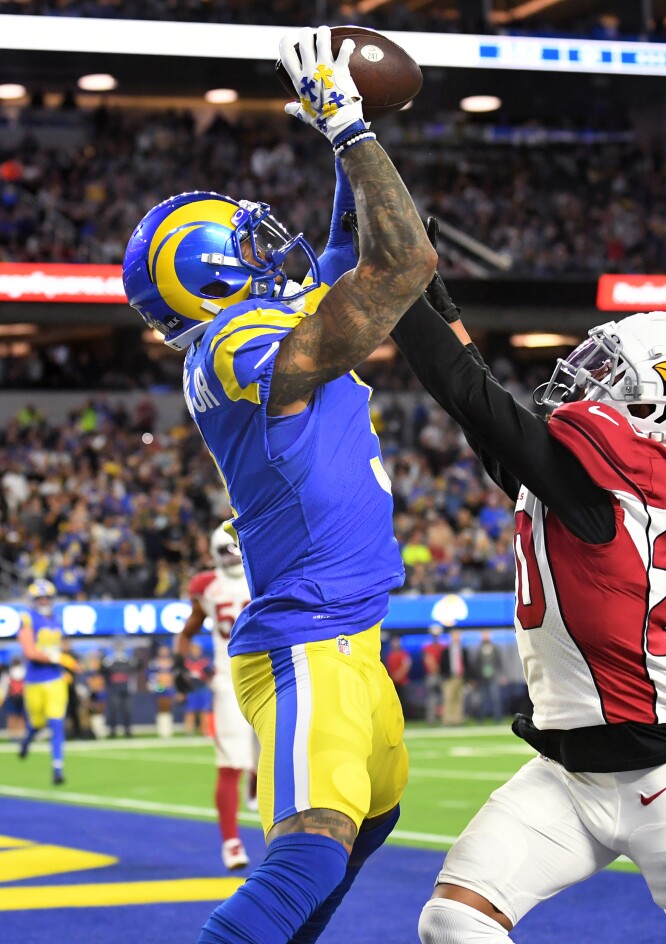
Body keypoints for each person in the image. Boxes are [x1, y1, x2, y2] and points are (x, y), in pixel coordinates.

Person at [122, 25, 436, 944]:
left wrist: (351, 121)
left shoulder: (249, 328)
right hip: (311, 636)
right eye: (243, 238)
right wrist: (346, 131)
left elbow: (348, 247)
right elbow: (402, 268)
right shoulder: (233, 346)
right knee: (311, 847)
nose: (268, 243)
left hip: (352, 632)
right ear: (211, 271)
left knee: (371, 821)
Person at [386, 254, 666, 943]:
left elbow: (472, 400)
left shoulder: (610, 491)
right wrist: (443, 314)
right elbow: (491, 428)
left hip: (665, 773)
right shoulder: (584, 486)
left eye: (615, 375)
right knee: (454, 921)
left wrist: (393, 285)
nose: (589, 379)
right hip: (569, 771)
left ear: (658, 410)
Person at [177, 523, 258, 872]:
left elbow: (185, 636)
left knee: (272, 757)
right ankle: (231, 841)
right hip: (237, 678)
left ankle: (255, 780)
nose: (231, 556)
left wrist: (190, 663)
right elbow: (187, 635)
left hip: (257, 675)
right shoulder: (256, 576)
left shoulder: (215, 584)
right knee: (231, 765)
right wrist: (195, 666)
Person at [17, 579, 77, 785]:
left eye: (46, 597)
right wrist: (59, 659)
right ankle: (26, 741)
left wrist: (66, 664)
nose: (43, 601)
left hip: (55, 680)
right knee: (37, 724)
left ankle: (57, 768)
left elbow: (60, 648)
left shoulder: (57, 620)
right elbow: (30, 652)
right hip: (34, 681)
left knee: (56, 722)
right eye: (39, 598)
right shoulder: (27, 619)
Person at [101, 638, 137, 738]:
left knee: (127, 710)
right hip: (114, 687)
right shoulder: (109, 659)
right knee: (113, 710)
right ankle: (113, 731)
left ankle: (128, 731)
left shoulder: (128, 659)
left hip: (126, 687)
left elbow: (135, 667)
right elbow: (105, 670)